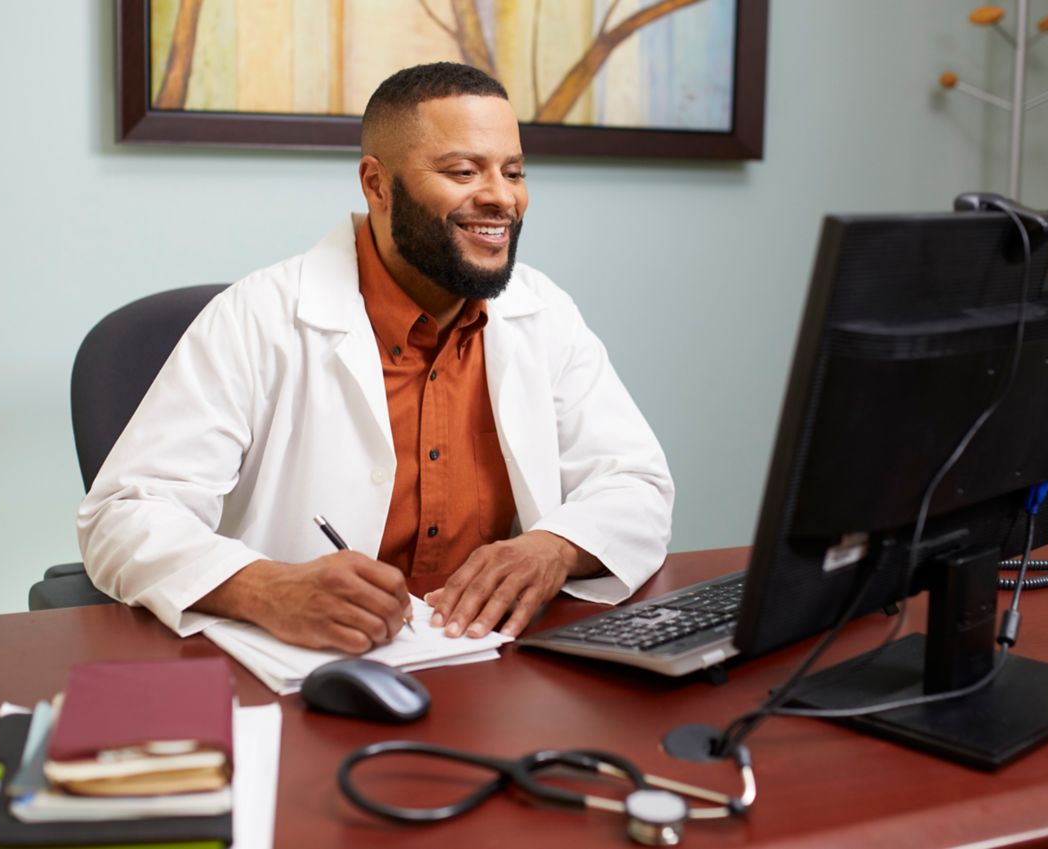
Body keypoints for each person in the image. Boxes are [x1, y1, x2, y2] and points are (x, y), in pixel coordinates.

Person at [78, 62, 673, 653]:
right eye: (464, 171)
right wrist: (268, 589)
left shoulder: (543, 313)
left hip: (486, 655)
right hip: (306, 669)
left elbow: (636, 483)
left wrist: (554, 547)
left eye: (513, 171)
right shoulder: (257, 317)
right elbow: (123, 516)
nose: (499, 197)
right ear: (378, 185)